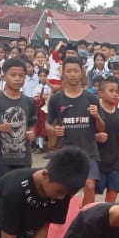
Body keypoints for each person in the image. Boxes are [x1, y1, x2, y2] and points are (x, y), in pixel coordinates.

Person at [47, 57, 105, 205]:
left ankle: (86, 218)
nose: (72, 75)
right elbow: (47, 125)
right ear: (63, 73)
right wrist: (55, 130)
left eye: (76, 71)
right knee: (64, 189)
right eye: (69, 71)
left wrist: (97, 116)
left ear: (82, 73)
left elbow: (101, 128)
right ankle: (57, 217)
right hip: (66, 152)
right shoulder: (56, 99)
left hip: (89, 151)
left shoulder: (91, 98)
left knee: (90, 186)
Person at [0, 58, 37, 183]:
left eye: (21, 76)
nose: (17, 79)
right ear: (4, 76)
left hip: (24, 159)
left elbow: (32, 125)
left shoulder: (29, 102)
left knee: (22, 195)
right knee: (0, 194)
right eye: (13, 75)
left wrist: (31, 133)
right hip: (1, 159)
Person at [95, 77, 119, 202]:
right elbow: (85, 134)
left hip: (114, 160)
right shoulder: (95, 112)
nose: (115, 94)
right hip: (97, 160)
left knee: (113, 190)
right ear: (101, 93)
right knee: (92, 190)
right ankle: (86, 214)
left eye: (116, 91)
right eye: (111, 91)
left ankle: (106, 217)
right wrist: (95, 137)